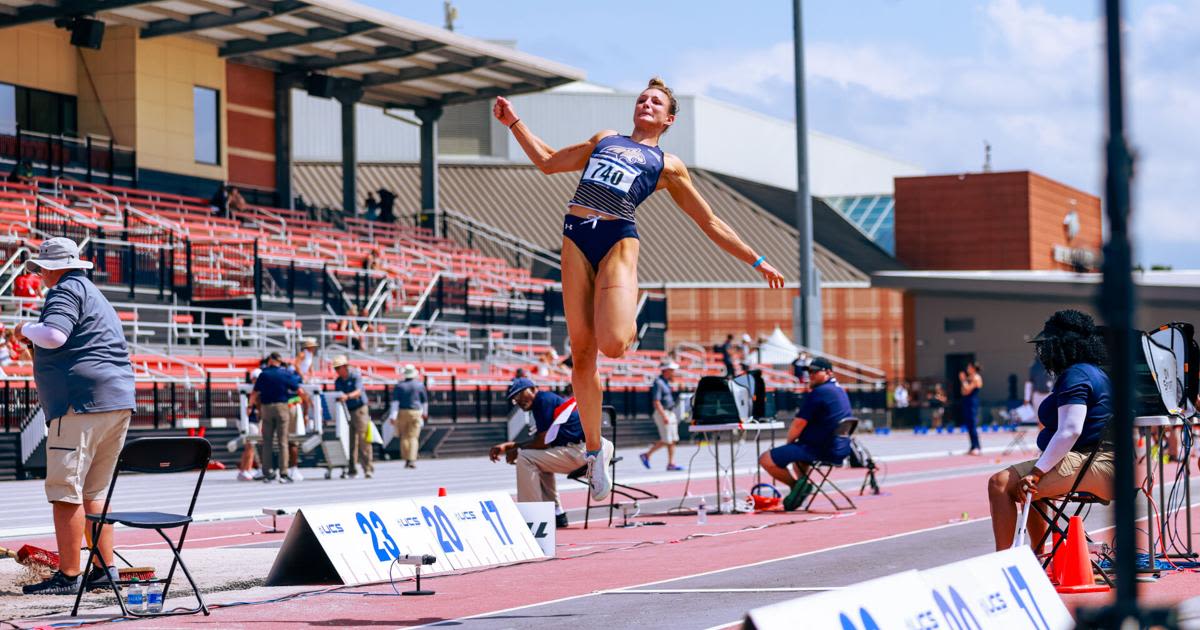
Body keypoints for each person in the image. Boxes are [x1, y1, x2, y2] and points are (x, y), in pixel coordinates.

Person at [494, 78, 785, 502]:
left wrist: (756, 260)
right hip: (575, 235)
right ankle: (596, 451)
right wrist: (513, 122)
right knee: (581, 355)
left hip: (617, 238)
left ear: (668, 119)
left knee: (612, 345)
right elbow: (549, 161)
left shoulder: (668, 164)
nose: (646, 103)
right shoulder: (604, 139)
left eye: (656, 102)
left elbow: (709, 222)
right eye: (642, 98)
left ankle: (628, 319)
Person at [16, 238, 135, 595]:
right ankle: (103, 569)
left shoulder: (65, 290)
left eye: (40, 270)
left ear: (49, 268)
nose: (39, 276)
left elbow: (54, 335)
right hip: (116, 401)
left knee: (65, 491)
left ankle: (69, 575)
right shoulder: (93, 293)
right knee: (94, 491)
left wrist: (23, 329)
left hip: (79, 404)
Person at [988, 310, 1114, 551]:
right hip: (1102, 462)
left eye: (1046, 346)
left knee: (999, 483)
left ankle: (1002, 564)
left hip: (1096, 463)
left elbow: (1070, 430)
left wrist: (1036, 472)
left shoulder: (1076, 375)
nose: (1043, 352)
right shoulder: (1095, 372)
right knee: (1033, 487)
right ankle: (1038, 557)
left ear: (1061, 345)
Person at [757, 357, 852, 511]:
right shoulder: (839, 391)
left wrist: (789, 444)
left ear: (828, 372)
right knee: (798, 456)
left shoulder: (820, 392)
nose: (811, 374)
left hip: (821, 449)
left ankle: (798, 487)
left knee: (765, 459)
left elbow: (798, 424)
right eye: (809, 371)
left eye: (815, 371)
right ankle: (801, 485)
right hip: (840, 448)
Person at [489, 378, 585, 529]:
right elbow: (542, 442)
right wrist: (511, 446)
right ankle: (556, 513)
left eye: (520, 395)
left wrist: (517, 449)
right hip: (580, 451)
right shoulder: (544, 401)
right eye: (515, 398)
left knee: (525, 458)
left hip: (580, 452)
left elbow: (543, 442)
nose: (518, 401)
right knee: (535, 458)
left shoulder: (543, 401)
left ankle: (532, 517)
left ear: (534, 389)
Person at [250, 352, 301, 483]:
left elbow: (255, 393)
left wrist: (250, 406)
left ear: (271, 361)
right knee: (283, 441)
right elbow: (297, 388)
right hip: (281, 407)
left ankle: (267, 473)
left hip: (266, 408)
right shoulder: (284, 373)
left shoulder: (263, 373)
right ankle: (283, 473)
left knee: (267, 441)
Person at [333, 355, 373, 479]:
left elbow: (359, 391)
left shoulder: (355, 376)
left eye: (338, 368)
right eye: (336, 368)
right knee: (350, 441)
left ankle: (367, 468)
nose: (337, 371)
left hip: (359, 409)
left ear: (345, 367)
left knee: (363, 440)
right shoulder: (338, 381)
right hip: (347, 410)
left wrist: (347, 396)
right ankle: (352, 468)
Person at [640, 361, 684, 471]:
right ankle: (647, 455)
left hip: (670, 412)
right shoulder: (658, 382)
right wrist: (663, 415)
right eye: (672, 370)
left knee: (673, 439)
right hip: (663, 412)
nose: (674, 372)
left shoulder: (665, 381)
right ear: (666, 370)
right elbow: (656, 401)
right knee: (666, 439)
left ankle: (671, 463)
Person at [387, 364, 427, 468]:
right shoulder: (420, 385)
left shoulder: (399, 386)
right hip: (416, 412)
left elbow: (395, 403)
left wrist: (393, 416)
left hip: (403, 412)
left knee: (404, 436)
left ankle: (406, 458)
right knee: (413, 437)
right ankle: (412, 459)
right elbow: (424, 402)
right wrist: (425, 414)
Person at [959, 362, 984, 455]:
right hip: (967, 401)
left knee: (972, 424)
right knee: (969, 424)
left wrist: (963, 380)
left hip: (972, 402)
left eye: (969, 367)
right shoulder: (969, 378)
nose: (967, 369)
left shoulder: (976, 377)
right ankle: (972, 446)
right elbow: (963, 392)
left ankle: (977, 447)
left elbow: (968, 389)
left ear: (973, 368)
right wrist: (964, 381)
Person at [1024, 357, 1054, 424]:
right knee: (1039, 417)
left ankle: (1049, 433)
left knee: (1051, 416)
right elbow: (1029, 382)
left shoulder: (1052, 364)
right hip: (1037, 394)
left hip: (1049, 393)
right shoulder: (1034, 366)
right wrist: (1027, 398)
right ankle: (1042, 433)